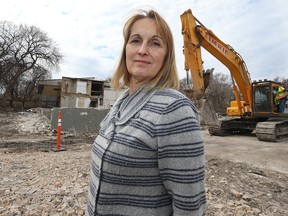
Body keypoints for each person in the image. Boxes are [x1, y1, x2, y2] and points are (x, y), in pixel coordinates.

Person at [86, 8, 206, 216]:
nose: (142, 50)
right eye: (135, 40)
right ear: (126, 49)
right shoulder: (121, 102)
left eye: (155, 43)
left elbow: (190, 207)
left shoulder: (174, 109)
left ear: (167, 56)